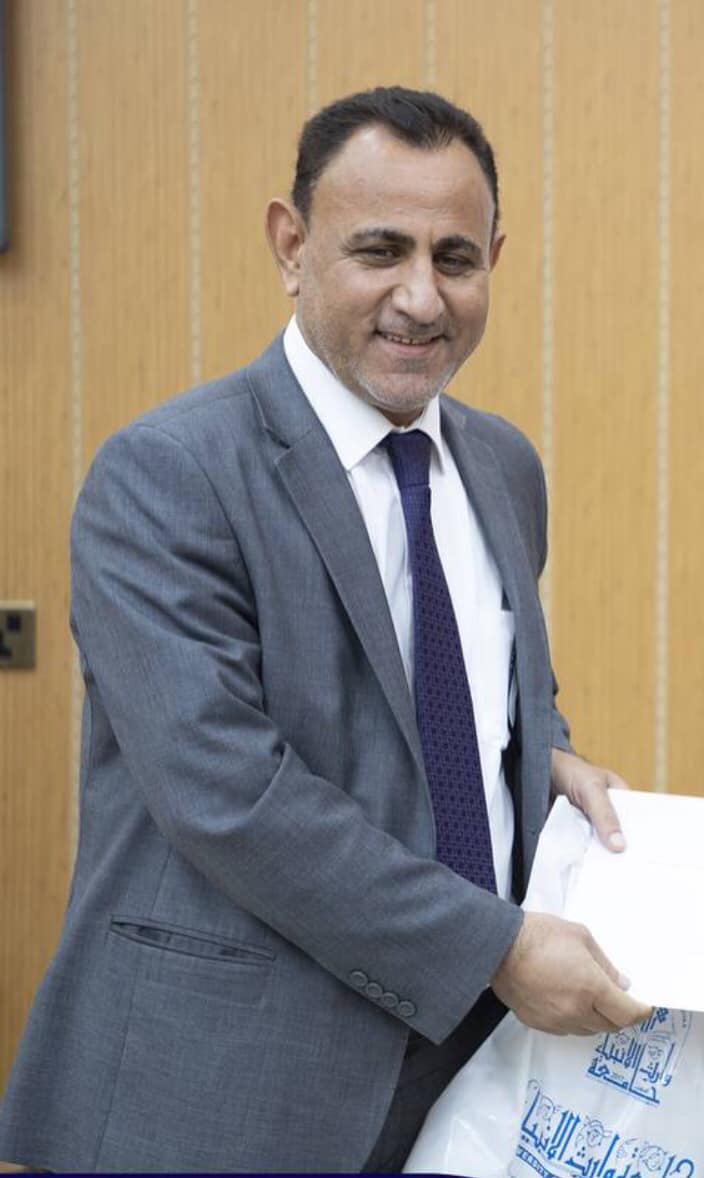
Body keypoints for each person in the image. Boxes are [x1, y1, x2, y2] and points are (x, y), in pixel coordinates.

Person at [0, 86, 650, 1174]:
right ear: (291, 247)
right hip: (226, 1087)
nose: (420, 296)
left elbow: (484, 684)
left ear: (493, 259)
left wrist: (544, 752)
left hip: (472, 1082)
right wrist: (493, 949)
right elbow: (228, 792)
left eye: (454, 258)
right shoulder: (168, 472)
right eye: (379, 250)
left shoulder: (503, 466)